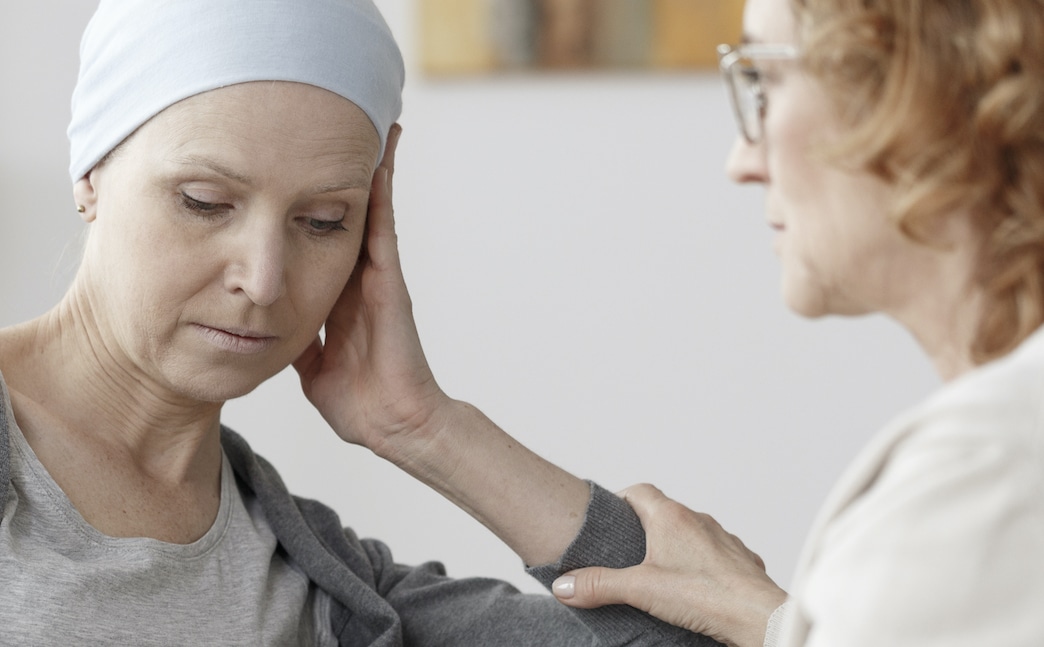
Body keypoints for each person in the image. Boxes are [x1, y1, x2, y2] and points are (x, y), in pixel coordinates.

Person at [0, 0, 722, 644]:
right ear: (91, 169)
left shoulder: (325, 582)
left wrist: (427, 428)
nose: (263, 277)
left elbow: (712, 628)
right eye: (202, 201)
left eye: (321, 221)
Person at [546, 0, 1044, 646]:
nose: (741, 160)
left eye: (764, 82)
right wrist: (787, 623)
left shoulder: (984, 486)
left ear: (924, 93)